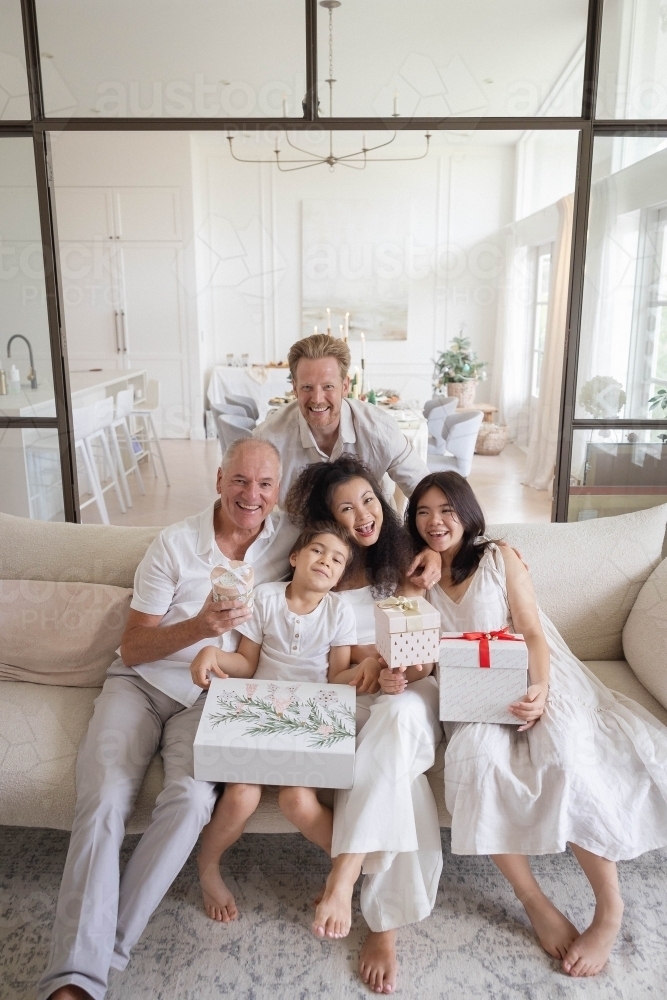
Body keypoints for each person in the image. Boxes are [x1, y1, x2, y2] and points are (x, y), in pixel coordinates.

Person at [38, 438, 297, 1000]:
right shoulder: (175, 545)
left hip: (212, 698)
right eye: (240, 481)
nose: (251, 496)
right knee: (104, 798)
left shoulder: (287, 544)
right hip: (141, 684)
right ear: (219, 477)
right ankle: (75, 980)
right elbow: (133, 648)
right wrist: (201, 627)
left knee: (191, 802)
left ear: (279, 490)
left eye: (265, 485)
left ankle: (97, 960)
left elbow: (350, 550)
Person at [407, 470, 667, 979]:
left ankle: (609, 908)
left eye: (446, 510)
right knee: (473, 766)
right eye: (422, 512)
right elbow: (418, 659)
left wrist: (541, 689)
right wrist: (414, 591)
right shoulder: (415, 574)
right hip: (471, 694)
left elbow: (530, 629)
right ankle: (535, 903)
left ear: (467, 512)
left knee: (567, 754)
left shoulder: (499, 556)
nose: (435, 522)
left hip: (534, 673)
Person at [285, 457, 443, 995]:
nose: (363, 514)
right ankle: (385, 924)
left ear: (383, 501)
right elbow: (338, 676)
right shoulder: (328, 580)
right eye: (346, 509)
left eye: (369, 500)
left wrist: (404, 667)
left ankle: (344, 874)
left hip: (413, 701)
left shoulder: (408, 567)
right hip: (362, 705)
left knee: (397, 717)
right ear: (331, 521)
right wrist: (372, 668)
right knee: (396, 772)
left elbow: (425, 661)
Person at [190, 522, 359, 923]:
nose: (326, 561)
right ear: (295, 557)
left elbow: (337, 679)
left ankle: (349, 867)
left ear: (339, 577)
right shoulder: (264, 598)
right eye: (318, 551)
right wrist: (212, 655)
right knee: (241, 796)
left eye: (337, 560)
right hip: (259, 712)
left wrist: (368, 667)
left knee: (296, 800)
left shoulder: (340, 611)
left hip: (308, 719)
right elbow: (246, 663)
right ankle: (207, 865)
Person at [253, 333, 430, 507]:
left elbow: (426, 493)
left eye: (328, 386)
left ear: (345, 386)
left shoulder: (380, 429)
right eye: (307, 387)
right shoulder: (268, 438)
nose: (317, 399)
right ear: (295, 388)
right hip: (301, 532)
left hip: (372, 529)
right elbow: (248, 502)